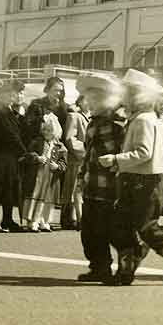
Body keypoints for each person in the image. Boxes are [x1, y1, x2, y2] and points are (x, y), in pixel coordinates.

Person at [99, 69, 163, 285]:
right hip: (137, 180)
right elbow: (158, 153)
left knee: (143, 227)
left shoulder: (142, 121)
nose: (124, 98)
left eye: (128, 94)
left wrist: (116, 159)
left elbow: (145, 153)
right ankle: (127, 269)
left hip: (139, 182)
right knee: (124, 226)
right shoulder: (147, 119)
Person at [76, 74, 125, 283]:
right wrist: (81, 177)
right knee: (89, 231)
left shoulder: (118, 122)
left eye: (96, 98)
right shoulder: (93, 122)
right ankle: (98, 267)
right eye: (89, 98)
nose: (91, 102)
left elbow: (124, 152)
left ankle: (114, 268)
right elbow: (88, 154)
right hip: (92, 184)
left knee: (107, 230)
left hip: (110, 186)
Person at [0, 80, 28, 233]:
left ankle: (7, 219)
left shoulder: (9, 110)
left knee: (9, 187)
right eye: (7, 94)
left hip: (9, 155)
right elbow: (9, 134)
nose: (11, 97)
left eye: (12, 94)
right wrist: (24, 152)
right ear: (0, 95)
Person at [21, 114, 67, 233]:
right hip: (37, 176)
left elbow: (64, 163)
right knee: (35, 196)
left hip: (50, 178)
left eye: (50, 130)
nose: (46, 132)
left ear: (55, 132)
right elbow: (27, 154)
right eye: (45, 129)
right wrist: (37, 158)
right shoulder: (37, 142)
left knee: (47, 200)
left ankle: (43, 221)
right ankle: (32, 221)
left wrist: (57, 166)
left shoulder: (60, 147)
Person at [61, 95, 90, 231]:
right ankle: (70, 218)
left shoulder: (92, 117)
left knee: (81, 190)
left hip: (87, 161)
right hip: (77, 159)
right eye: (86, 100)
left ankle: (80, 218)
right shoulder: (75, 116)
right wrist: (86, 151)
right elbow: (69, 138)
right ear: (80, 102)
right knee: (72, 189)